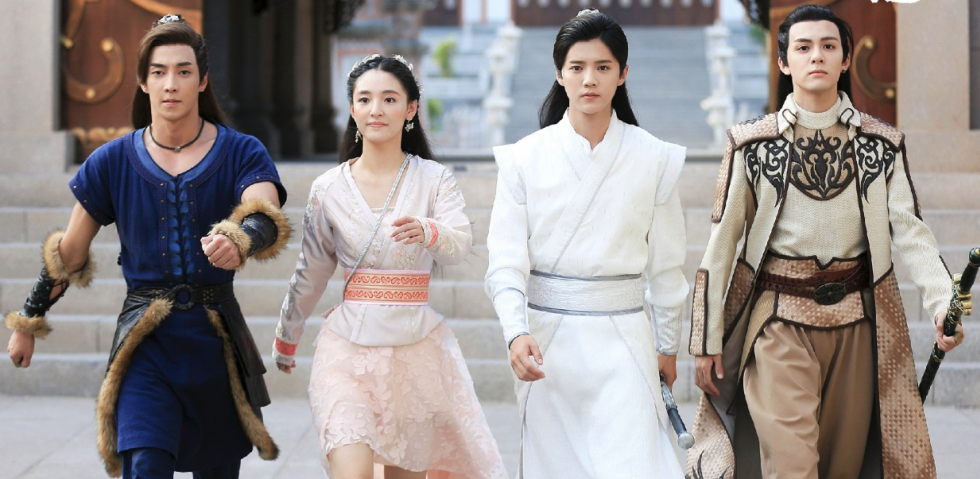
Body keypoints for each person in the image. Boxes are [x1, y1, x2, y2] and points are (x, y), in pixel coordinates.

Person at [685, 5, 965, 479]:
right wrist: (706, 339)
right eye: (803, 47)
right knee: (791, 466)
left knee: (843, 468)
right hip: (777, 323)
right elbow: (722, 244)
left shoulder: (882, 145)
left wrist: (943, 303)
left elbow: (913, 233)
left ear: (845, 59)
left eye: (828, 46)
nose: (817, 56)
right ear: (783, 62)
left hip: (857, 324)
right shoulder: (751, 145)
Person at [4, 14, 289, 478]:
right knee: (146, 463)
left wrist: (240, 238)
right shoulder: (110, 161)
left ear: (202, 81)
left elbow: (264, 214)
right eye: (159, 72)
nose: (170, 83)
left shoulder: (242, 151)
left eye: (183, 71)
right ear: (142, 81)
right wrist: (29, 319)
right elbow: (70, 254)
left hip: (216, 346)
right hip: (145, 345)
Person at [272, 53, 507, 479]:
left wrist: (428, 230)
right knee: (352, 469)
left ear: (411, 108)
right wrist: (288, 335)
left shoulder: (434, 179)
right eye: (364, 99)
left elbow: (460, 244)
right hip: (346, 346)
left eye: (389, 99)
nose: (375, 110)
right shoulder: (327, 188)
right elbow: (312, 270)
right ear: (352, 108)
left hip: (415, 351)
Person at [485, 9, 689, 479]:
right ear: (559, 74)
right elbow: (506, 262)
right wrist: (515, 331)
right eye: (576, 67)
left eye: (602, 67)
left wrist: (667, 345)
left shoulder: (655, 158)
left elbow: (666, 267)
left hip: (627, 343)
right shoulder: (522, 159)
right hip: (548, 346)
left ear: (623, 74)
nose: (589, 79)